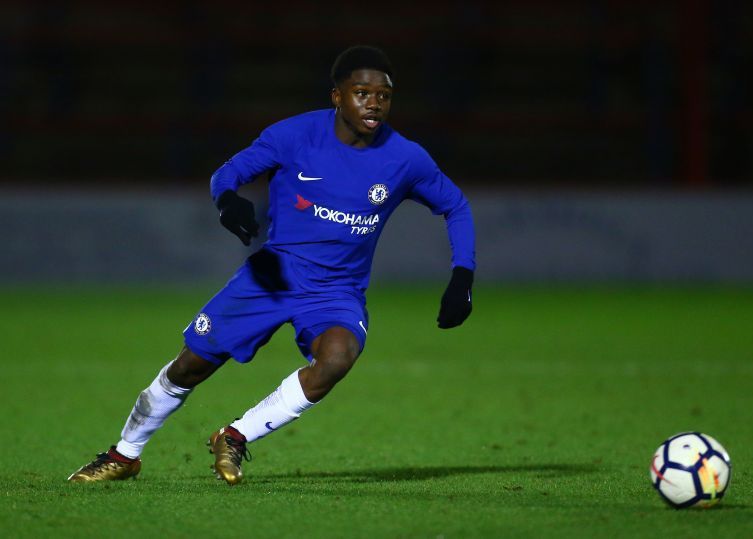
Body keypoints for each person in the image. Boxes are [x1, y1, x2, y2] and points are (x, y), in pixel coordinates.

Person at [68, 45, 476, 485]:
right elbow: (227, 173)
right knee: (191, 366)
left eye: (383, 95)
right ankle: (124, 455)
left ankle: (235, 435)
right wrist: (227, 201)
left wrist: (462, 276)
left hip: (337, 291)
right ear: (337, 96)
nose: (374, 103)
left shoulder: (405, 158)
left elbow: (455, 205)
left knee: (337, 358)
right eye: (361, 92)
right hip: (274, 275)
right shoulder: (293, 136)